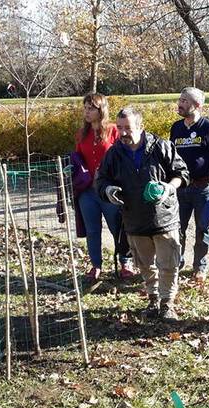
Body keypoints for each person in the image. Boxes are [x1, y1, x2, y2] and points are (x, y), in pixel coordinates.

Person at [96, 107, 189, 320]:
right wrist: (108, 190)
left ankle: (167, 303)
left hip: (164, 219)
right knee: (145, 265)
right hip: (134, 220)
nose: (123, 133)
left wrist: (168, 188)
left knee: (168, 265)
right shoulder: (114, 153)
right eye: (119, 128)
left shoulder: (162, 147)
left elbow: (182, 173)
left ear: (141, 126)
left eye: (128, 128)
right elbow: (101, 180)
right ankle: (153, 299)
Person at [74, 93, 134, 284]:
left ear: (101, 110)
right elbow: (77, 160)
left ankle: (126, 262)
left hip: (109, 190)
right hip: (87, 192)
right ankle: (96, 265)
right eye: (85, 108)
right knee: (92, 230)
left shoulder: (113, 131)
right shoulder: (81, 134)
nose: (86, 112)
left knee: (118, 227)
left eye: (90, 108)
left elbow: (124, 157)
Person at [170, 87, 209, 282]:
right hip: (181, 187)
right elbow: (171, 157)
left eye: (184, 101)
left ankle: (199, 267)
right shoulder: (176, 128)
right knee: (178, 228)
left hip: (203, 188)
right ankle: (177, 263)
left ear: (197, 105)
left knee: (203, 229)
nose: (180, 104)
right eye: (180, 99)